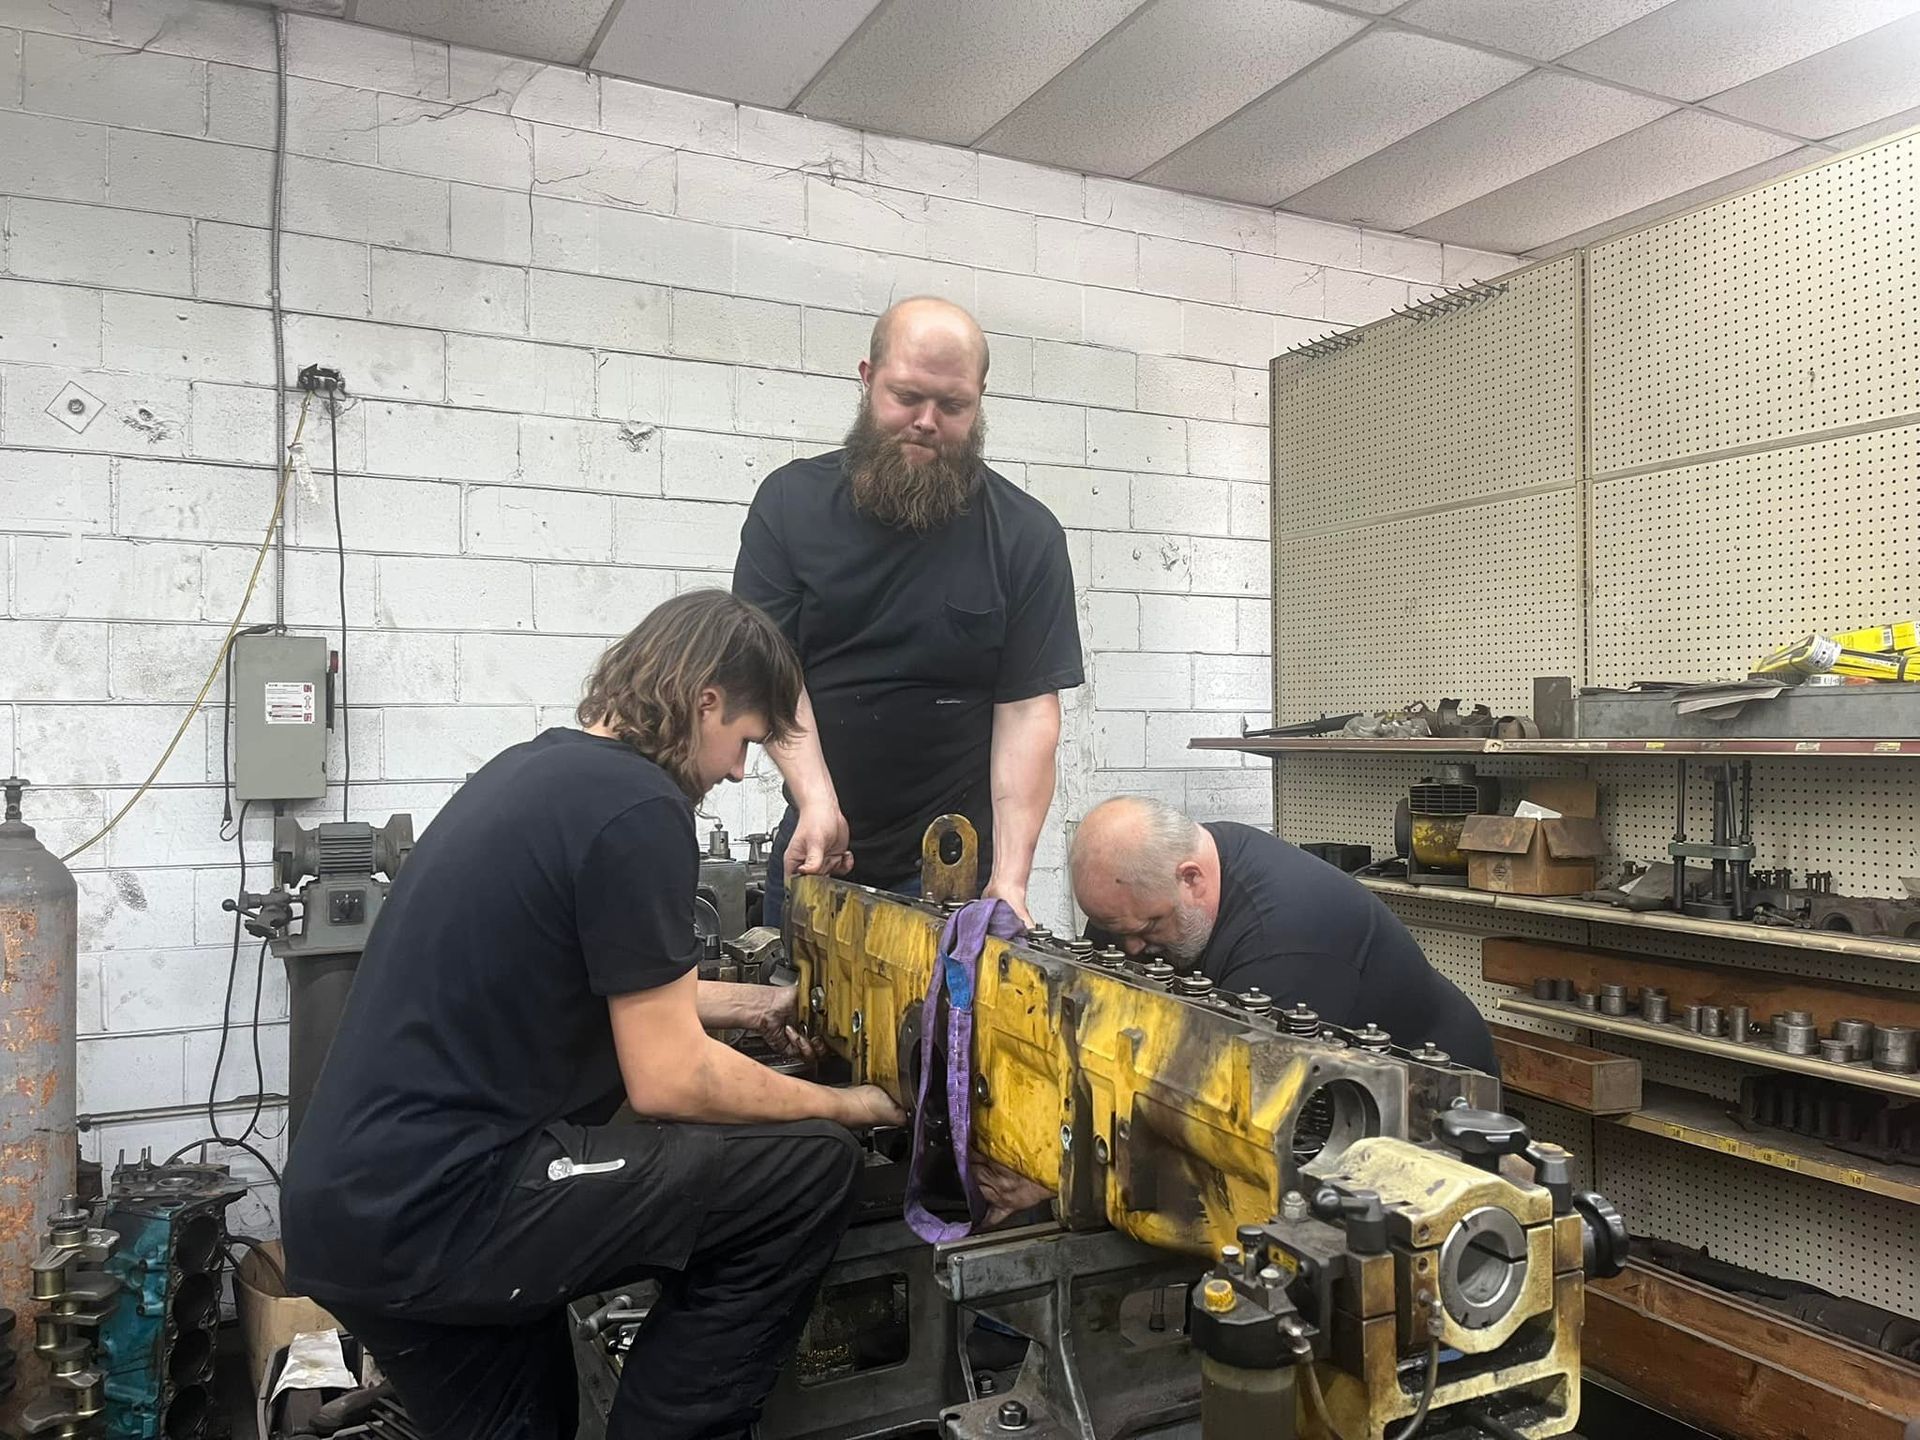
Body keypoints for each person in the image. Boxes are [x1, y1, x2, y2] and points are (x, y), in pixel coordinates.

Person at [280, 590, 907, 1440]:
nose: (738, 771)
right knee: (810, 1167)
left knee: (535, 1416)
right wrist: (851, 1105)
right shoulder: (640, 808)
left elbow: (596, 985)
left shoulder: (539, 770)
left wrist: (757, 1004)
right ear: (706, 701)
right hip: (443, 1207)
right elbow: (670, 1078)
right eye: (746, 741)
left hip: (360, 1206)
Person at [733, 296, 1083, 928]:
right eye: (906, 397)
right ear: (868, 379)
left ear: (979, 399)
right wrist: (816, 800)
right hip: (820, 840)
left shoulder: (1026, 537)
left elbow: (1028, 712)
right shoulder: (789, 505)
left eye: (953, 405)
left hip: (953, 863)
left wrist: (1009, 878)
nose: (926, 421)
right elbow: (771, 672)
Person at [1070, 796, 1498, 1073]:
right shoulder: (1144, 889)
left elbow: (1243, 1089)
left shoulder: (1284, 942)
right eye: (1115, 930)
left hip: (1432, 1090)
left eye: (1149, 927)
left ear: (1191, 879)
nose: (1132, 949)